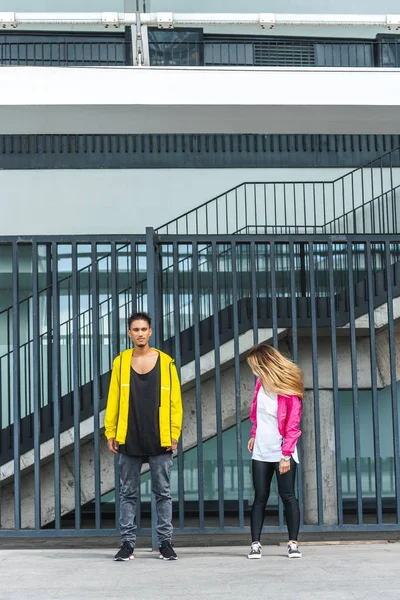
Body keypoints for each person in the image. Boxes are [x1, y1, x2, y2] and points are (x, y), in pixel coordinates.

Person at [104, 312, 183, 562]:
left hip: (160, 437)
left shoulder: (167, 362)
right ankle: (127, 544)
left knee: (163, 493)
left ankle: (165, 544)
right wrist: (111, 431)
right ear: (129, 333)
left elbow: (175, 403)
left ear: (150, 332)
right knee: (128, 493)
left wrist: (174, 433)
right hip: (129, 436)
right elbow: (113, 398)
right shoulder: (121, 361)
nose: (139, 333)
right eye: (135, 329)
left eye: (144, 329)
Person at [246, 343, 303, 560]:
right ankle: (255, 544)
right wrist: (254, 433)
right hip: (261, 449)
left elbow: (292, 426)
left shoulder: (289, 391)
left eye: (254, 365)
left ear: (264, 364)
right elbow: (257, 413)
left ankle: (293, 543)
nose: (252, 370)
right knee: (260, 496)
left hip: (283, 451)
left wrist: (286, 455)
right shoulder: (260, 384)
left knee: (287, 496)